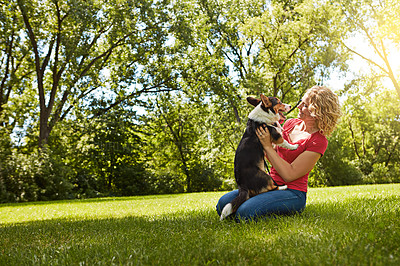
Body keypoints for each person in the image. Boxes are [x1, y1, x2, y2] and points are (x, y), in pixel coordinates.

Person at [216, 85, 341, 222]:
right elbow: (274, 156)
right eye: (301, 101)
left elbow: (289, 175)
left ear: (317, 111)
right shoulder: (290, 123)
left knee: (244, 213)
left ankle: (275, 211)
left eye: (304, 105)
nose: (298, 106)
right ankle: (258, 205)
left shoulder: (319, 141)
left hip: (292, 192)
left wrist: (268, 147)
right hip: (267, 184)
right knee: (223, 203)